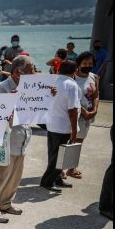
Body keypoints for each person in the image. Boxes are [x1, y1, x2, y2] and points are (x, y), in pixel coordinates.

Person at [0, 55, 37, 222]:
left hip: (21, 139)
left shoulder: (29, 88)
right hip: (5, 142)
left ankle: (5, 203)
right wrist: (9, 103)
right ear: (19, 72)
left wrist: (49, 95)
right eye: (32, 69)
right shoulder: (2, 88)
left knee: (14, 176)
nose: (35, 72)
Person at [41, 60, 80, 192]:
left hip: (51, 125)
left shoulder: (54, 82)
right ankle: (47, 182)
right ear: (75, 71)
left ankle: (57, 179)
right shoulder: (71, 85)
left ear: (59, 70)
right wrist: (74, 130)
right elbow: (73, 110)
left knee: (53, 155)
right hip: (63, 126)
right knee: (59, 157)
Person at [66, 51, 99, 179]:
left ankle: (71, 168)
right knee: (68, 140)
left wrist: (94, 110)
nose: (87, 65)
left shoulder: (94, 77)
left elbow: (96, 95)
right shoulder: (72, 77)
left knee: (78, 142)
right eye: (84, 63)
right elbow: (68, 95)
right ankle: (59, 169)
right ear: (79, 64)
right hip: (74, 114)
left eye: (90, 63)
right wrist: (83, 111)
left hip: (88, 116)